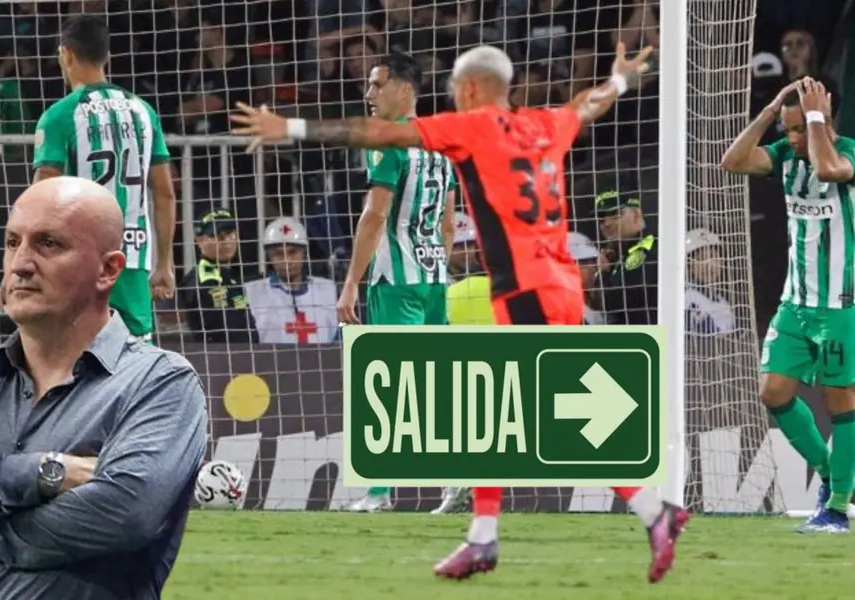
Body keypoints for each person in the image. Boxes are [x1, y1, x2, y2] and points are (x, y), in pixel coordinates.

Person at [231, 42, 688, 583]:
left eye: (452, 86)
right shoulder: (544, 123)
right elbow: (587, 106)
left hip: (525, 290)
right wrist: (621, 81)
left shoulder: (471, 129)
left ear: (470, 89)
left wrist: (291, 127)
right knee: (513, 410)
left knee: (506, 410)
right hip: (562, 285)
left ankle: (645, 512)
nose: (448, 94)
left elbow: (381, 134)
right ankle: (492, 535)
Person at [0, 177, 208, 600]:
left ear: (109, 269)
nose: (20, 264)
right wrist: (44, 473)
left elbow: (123, 514)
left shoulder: (161, 383)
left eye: (48, 244)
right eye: (12, 242)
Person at [721, 76, 855, 533]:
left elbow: (830, 171)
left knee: (840, 403)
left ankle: (836, 508)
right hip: (794, 303)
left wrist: (815, 120)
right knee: (773, 392)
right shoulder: (784, 156)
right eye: (788, 129)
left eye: (798, 129)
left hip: (840, 304)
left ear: (823, 116)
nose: (791, 138)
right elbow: (733, 160)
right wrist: (772, 110)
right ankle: (832, 476)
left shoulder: (848, 154)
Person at [342, 60, 456, 514]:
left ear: (404, 90)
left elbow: (375, 216)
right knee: (435, 383)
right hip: (433, 280)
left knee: (386, 384)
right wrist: (435, 265)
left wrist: (352, 281)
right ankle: (459, 476)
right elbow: (449, 224)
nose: (368, 92)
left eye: (377, 84)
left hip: (394, 281)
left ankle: (378, 493)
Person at [30, 14, 177, 340]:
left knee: (76, 359)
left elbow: (41, 197)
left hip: (78, 261)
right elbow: (165, 193)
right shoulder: (143, 111)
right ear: (106, 56)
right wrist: (164, 263)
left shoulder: (59, 116)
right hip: (133, 257)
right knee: (136, 360)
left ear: (65, 54)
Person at [245, 217, 341, 345]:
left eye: (293, 252)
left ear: (304, 253)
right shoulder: (251, 292)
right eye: (278, 254)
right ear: (269, 257)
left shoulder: (329, 290)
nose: (286, 260)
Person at [179, 208, 253, 343]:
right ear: (200, 240)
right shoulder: (201, 279)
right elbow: (218, 326)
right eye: (218, 236)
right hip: (218, 358)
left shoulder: (229, 275)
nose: (227, 241)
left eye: (232, 234)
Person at [594, 189, 657, 325]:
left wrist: (605, 273)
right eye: (601, 217)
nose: (606, 223)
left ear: (636, 213)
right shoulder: (618, 254)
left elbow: (618, 301)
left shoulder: (651, 248)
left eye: (615, 214)